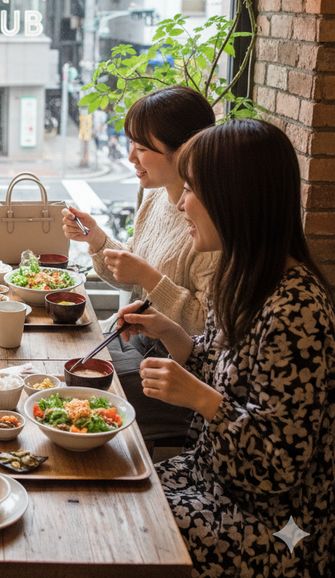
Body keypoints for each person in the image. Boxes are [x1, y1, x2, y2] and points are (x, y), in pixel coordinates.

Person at [116, 119, 334, 578]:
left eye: (192, 188)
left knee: (120, 524)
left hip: (277, 527)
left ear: (236, 199)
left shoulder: (297, 310)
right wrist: (170, 334)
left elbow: (278, 466)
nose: (179, 202)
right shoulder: (242, 277)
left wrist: (198, 397)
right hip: (209, 478)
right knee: (110, 489)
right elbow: (222, 367)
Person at [62, 86, 217, 441]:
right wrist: (97, 240)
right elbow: (132, 274)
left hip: (176, 365)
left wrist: (148, 277)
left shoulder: (209, 223)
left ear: (185, 151)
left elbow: (205, 325)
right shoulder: (156, 197)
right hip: (137, 340)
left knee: (71, 386)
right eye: (131, 142)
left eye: (142, 148)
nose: (131, 156)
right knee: (63, 355)